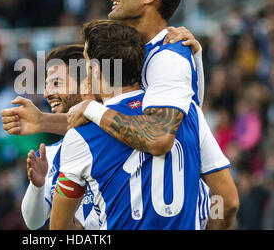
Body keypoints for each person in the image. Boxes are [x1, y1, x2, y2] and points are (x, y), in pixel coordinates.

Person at [50, 20, 225, 229]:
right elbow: (229, 201)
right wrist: (195, 56)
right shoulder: (183, 112)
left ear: (96, 70)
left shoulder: (82, 135)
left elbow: (59, 228)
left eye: (87, 64)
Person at [20, 44, 100, 230]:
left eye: (57, 83)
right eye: (46, 86)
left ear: (87, 84)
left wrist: (42, 120)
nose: (47, 94)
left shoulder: (117, 133)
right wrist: (37, 186)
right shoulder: (51, 154)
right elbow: (33, 222)